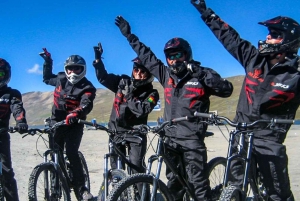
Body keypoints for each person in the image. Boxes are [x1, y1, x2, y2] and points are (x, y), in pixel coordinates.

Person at [115, 16, 233, 201]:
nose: (173, 60)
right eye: (170, 57)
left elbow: (226, 90)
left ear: (187, 55)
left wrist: (200, 73)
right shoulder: (165, 75)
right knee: (173, 186)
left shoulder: (202, 74)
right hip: (169, 139)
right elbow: (147, 56)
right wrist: (129, 36)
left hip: (192, 140)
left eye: (178, 55)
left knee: (198, 188)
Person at [190, 1, 300, 200]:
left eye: (275, 35)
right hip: (241, 134)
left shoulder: (296, 74)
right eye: (269, 33)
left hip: (269, 140)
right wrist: (204, 11)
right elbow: (229, 37)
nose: (268, 37)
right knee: (234, 188)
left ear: (288, 41)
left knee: (278, 194)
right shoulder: (254, 59)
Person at [92, 43, 159, 175]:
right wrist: (98, 60)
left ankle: (142, 195)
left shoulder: (152, 94)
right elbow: (103, 78)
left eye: (142, 71)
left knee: (136, 168)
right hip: (116, 131)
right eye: (136, 69)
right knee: (116, 169)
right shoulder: (123, 81)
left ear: (149, 74)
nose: (138, 73)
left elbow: (142, 110)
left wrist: (129, 96)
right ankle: (120, 194)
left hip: (136, 134)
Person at [39, 48, 96, 200]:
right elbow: (46, 79)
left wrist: (76, 113)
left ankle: (81, 188)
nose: (73, 72)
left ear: (83, 70)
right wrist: (48, 62)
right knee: (55, 154)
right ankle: (55, 184)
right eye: (70, 68)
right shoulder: (60, 78)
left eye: (77, 68)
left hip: (74, 124)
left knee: (71, 152)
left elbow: (86, 104)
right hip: (56, 122)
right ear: (66, 69)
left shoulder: (87, 87)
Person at [0, 58, 28, 201]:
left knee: (7, 172)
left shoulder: (12, 93)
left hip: (2, 135)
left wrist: (20, 121)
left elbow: (17, 108)